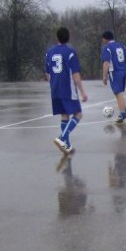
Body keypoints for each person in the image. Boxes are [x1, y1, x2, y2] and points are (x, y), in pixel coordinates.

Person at [45, 27, 88, 155]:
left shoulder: (49, 52)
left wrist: (53, 84)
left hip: (55, 88)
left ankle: (67, 145)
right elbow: (75, 74)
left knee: (64, 115)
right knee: (78, 114)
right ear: (68, 38)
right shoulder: (70, 52)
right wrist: (82, 91)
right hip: (67, 89)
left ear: (57, 38)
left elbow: (47, 74)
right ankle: (62, 138)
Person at [101, 30, 126, 124]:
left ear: (105, 39)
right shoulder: (121, 45)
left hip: (114, 72)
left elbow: (106, 62)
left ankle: (123, 116)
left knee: (118, 94)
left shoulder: (107, 48)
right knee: (120, 94)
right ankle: (124, 112)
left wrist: (104, 76)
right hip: (123, 71)